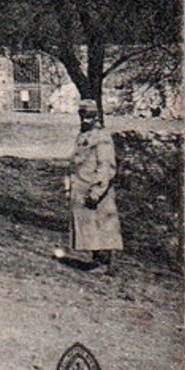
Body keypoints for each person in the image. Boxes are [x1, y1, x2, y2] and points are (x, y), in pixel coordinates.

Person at [54, 99, 122, 272]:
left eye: (89, 116)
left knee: (102, 225)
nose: (85, 120)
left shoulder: (101, 137)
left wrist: (97, 191)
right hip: (82, 188)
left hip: (96, 190)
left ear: (97, 116)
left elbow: (106, 166)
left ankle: (104, 263)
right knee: (90, 226)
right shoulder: (83, 135)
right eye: (82, 115)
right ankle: (96, 260)